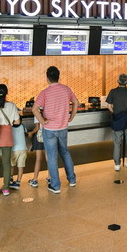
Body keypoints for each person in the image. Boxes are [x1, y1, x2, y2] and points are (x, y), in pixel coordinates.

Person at [33, 66, 78, 194]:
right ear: (59, 76)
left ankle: (55, 185)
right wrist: (71, 116)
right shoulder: (66, 89)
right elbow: (76, 102)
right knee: (65, 152)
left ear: (47, 78)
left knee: (52, 157)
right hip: (63, 128)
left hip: (49, 130)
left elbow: (34, 109)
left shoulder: (45, 92)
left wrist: (42, 121)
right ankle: (72, 179)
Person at [105, 73, 127, 171]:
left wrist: (115, 112)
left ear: (118, 81)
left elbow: (109, 106)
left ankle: (117, 164)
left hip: (117, 120)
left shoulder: (113, 92)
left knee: (117, 142)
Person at [9, 115, 28, 190]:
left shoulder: (10, 127)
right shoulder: (23, 126)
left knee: (11, 165)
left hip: (14, 149)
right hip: (23, 149)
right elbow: (25, 133)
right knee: (21, 167)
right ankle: (18, 182)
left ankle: (10, 178)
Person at [27, 118, 46, 188]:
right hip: (48, 135)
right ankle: (50, 178)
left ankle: (35, 180)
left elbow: (37, 128)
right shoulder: (48, 109)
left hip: (39, 137)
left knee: (38, 159)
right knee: (49, 159)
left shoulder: (37, 111)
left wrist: (31, 133)